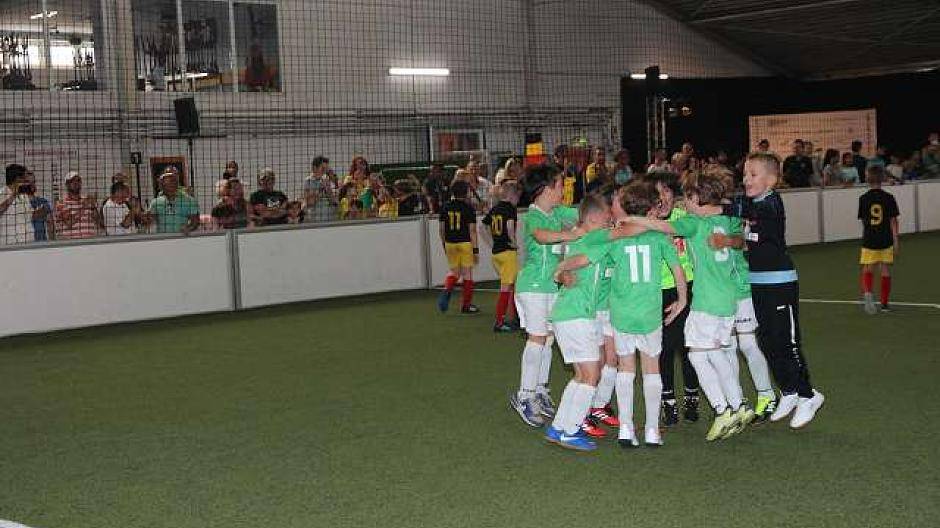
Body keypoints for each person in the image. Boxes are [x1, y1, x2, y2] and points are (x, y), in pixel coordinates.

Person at [627, 171, 754, 442]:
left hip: (706, 300)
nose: (683, 203)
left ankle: (722, 409)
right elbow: (740, 240)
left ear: (696, 198)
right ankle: (739, 404)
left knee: (697, 356)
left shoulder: (694, 223)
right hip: (728, 298)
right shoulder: (726, 219)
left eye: (686, 197)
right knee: (715, 353)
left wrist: (632, 218)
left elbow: (663, 227)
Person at [718, 152, 824, 429]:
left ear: (772, 180)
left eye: (753, 175)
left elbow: (747, 210)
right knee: (766, 341)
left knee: (787, 342)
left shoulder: (771, 204)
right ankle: (789, 391)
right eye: (745, 174)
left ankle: (808, 395)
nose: (746, 179)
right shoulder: (752, 204)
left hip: (780, 283)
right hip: (758, 282)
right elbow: (740, 211)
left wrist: (720, 207)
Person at [602, 181, 688, 446]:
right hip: (649, 313)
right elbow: (677, 269)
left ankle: (626, 428)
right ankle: (652, 430)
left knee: (625, 369)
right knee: (652, 369)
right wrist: (682, 299)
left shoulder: (615, 237)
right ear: (651, 209)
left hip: (622, 313)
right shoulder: (659, 237)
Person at [510, 164, 581, 427]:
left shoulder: (558, 212)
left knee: (548, 339)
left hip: (551, 286)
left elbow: (585, 215)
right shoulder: (533, 215)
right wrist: (570, 234)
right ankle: (525, 395)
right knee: (538, 338)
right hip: (533, 286)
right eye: (560, 185)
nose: (564, 190)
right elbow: (541, 237)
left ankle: (539, 390)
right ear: (546, 189)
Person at [542, 194, 612, 452]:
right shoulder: (595, 239)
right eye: (606, 217)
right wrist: (561, 268)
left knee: (582, 375)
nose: (610, 221)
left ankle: (559, 427)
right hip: (576, 315)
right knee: (591, 375)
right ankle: (571, 431)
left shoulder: (581, 239)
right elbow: (582, 260)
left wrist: (561, 270)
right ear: (593, 219)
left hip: (568, 315)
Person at [646, 172, 700, 426]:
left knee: (689, 347)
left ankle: (692, 395)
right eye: (657, 193)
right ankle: (668, 400)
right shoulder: (645, 222)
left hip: (686, 288)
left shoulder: (683, 218)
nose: (662, 198)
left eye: (666, 191)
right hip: (658, 291)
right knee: (664, 349)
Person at [858, 166, 900, 314]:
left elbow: (863, 220)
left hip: (870, 238)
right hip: (886, 238)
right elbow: (893, 220)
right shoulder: (889, 197)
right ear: (882, 179)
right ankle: (884, 304)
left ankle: (868, 293)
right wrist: (895, 240)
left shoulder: (863, 198)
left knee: (868, 268)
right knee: (885, 269)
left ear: (868, 179)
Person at [436, 180, 479, 315]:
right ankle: (466, 305)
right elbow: (472, 231)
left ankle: (446, 290)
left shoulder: (445, 207)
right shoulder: (469, 208)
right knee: (467, 274)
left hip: (450, 243)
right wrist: (475, 249)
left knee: (454, 272)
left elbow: (441, 229)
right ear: (466, 193)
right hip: (465, 243)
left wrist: (444, 244)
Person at [482, 181, 520, 332]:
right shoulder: (510, 209)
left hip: (496, 253)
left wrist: (492, 243)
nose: (518, 200)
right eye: (517, 197)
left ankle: (514, 317)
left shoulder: (495, 209)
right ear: (512, 195)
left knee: (511, 285)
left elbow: (482, 227)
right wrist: (513, 242)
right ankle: (500, 321)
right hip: (507, 253)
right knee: (506, 288)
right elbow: (510, 227)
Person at [55, 171, 100, 240]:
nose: (76, 183)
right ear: (67, 184)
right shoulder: (61, 203)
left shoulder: (87, 200)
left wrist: (93, 206)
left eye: (78, 180)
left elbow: (98, 222)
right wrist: (84, 207)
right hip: (71, 243)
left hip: (90, 241)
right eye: (72, 181)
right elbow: (69, 222)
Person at [0, 164, 36, 245]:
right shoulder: (2, 193)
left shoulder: (24, 195)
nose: (27, 179)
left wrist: (39, 212)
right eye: (24, 177)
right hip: (9, 242)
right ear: (17, 178)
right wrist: (13, 195)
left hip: (29, 240)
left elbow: (30, 215)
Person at [303, 156, 338, 223]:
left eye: (326, 169)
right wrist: (321, 189)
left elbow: (334, 202)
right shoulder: (308, 181)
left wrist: (328, 189)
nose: (325, 172)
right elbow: (310, 202)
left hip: (330, 219)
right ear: (314, 168)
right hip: (315, 220)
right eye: (323, 169)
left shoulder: (329, 180)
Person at [22, 170, 51, 242]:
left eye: (33, 182)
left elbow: (50, 224)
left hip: (42, 243)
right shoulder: (18, 203)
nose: (32, 184)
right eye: (28, 182)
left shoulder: (43, 201)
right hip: (25, 242)